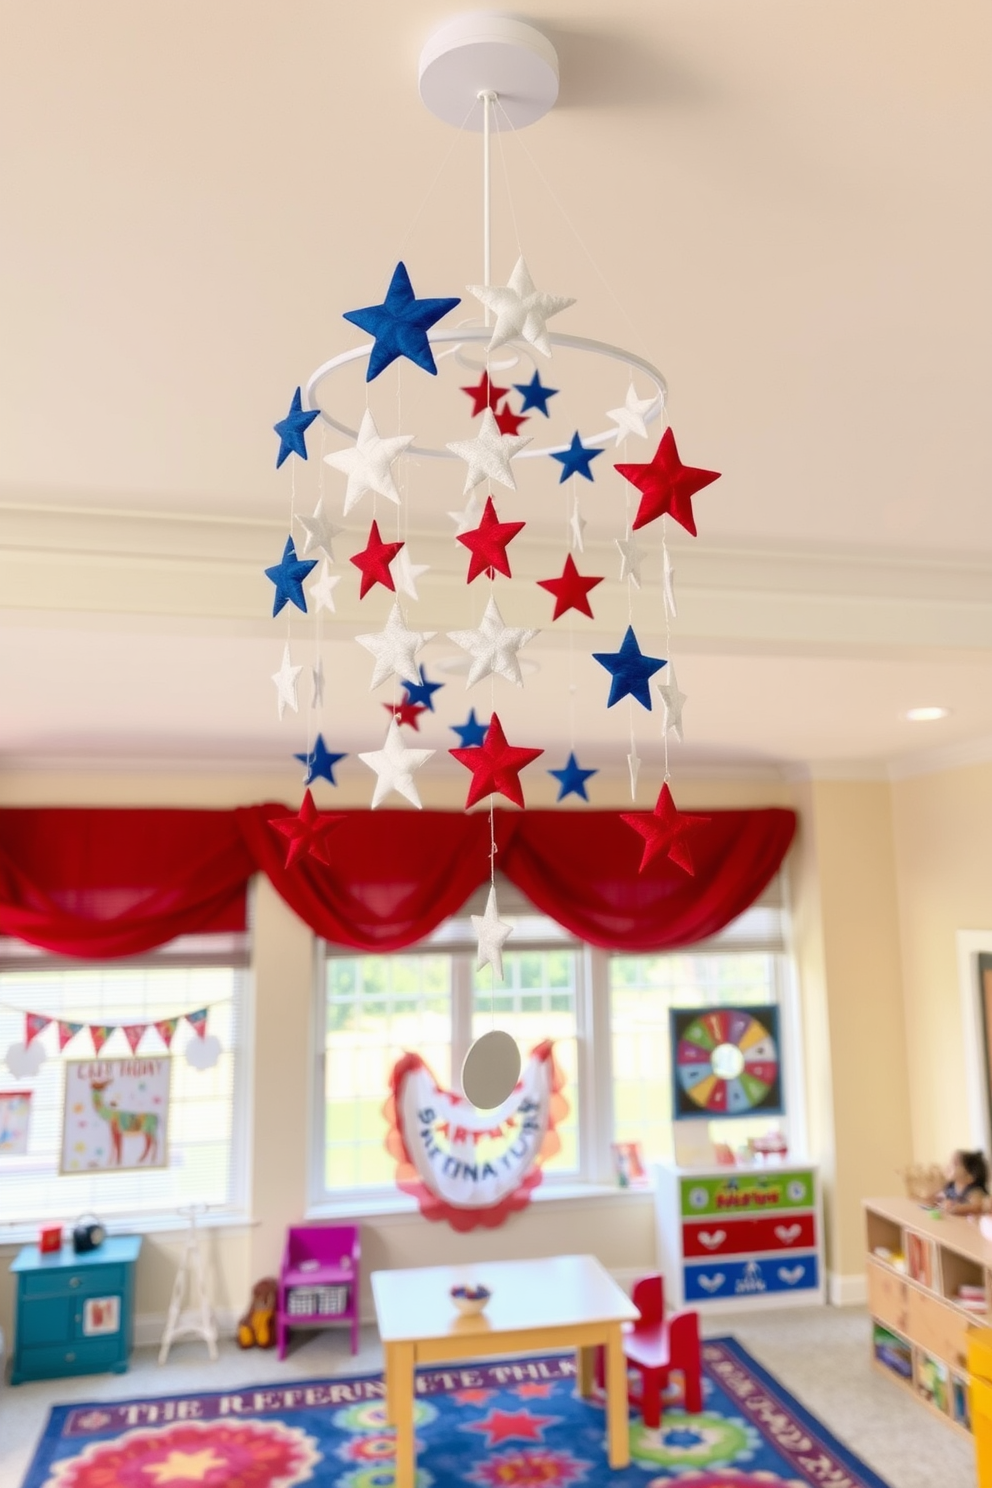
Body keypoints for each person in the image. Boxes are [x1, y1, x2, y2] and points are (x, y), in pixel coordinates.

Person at [933, 1149, 989, 1215]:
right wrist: (942, 1202)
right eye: (950, 1162)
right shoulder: (951, 1187)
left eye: (955, 1164)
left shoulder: (974, 1191)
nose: (948, 1166)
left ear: (969, 1177)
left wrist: (958, 1208)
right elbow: (938, 1198)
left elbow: (978, 1206)